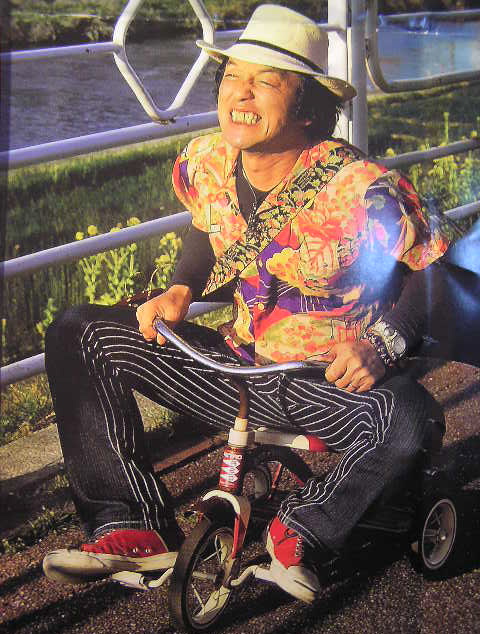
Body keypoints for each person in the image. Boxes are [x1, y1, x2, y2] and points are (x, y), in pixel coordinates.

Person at [42, 5, 449, 603]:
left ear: (307, 106)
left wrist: (381, 346)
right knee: (78, 332)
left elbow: (431, 270)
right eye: (232, 77)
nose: (241, 94)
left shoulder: (362, 188)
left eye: (266, 82)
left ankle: (302, 530)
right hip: (234, 372)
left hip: (325, 385)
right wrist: (182, 288)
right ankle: (131, 524)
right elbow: (207, 228)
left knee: (411, 416)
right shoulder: (207, 160)